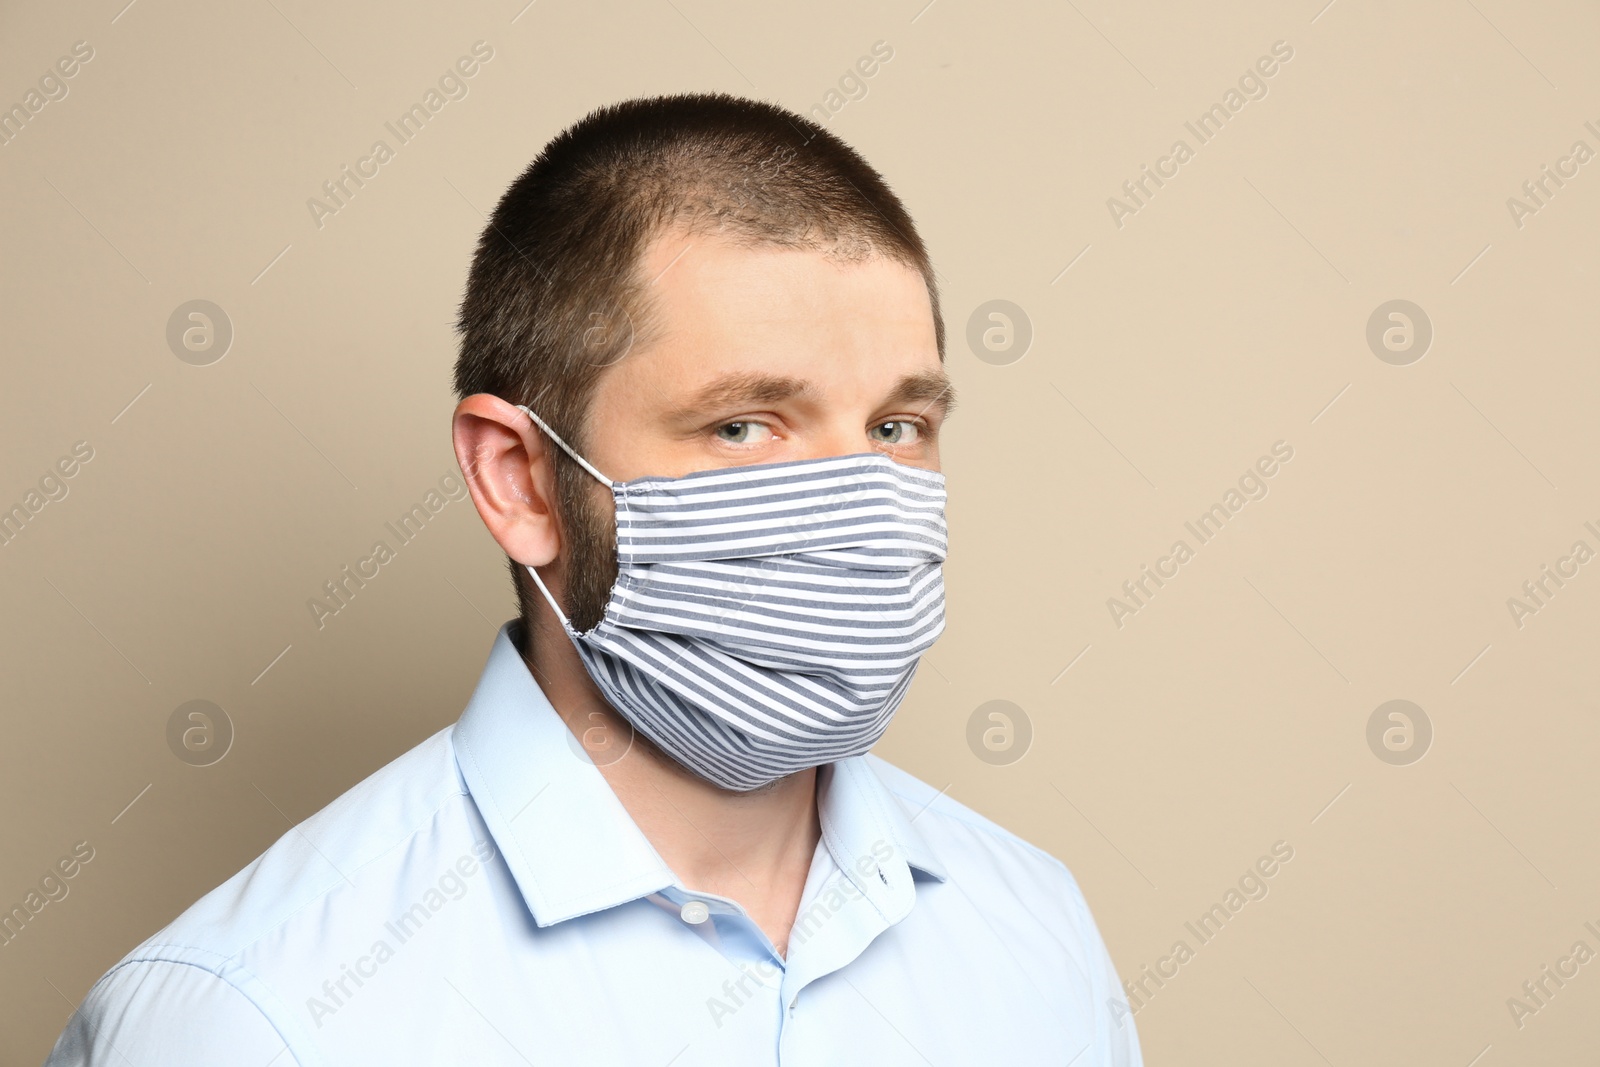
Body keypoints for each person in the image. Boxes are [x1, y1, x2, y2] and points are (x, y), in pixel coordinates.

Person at [46, 92, 1141, 1065]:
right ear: (519, 479)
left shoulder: (1035, 930)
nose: (857, 503)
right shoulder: (250, 1017)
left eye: (898, 425)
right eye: (744, 424)